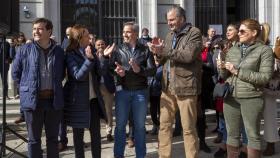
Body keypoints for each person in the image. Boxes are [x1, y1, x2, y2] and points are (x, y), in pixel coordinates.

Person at [149, 5, 202, 158]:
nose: (169, 23)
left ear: (182, 18)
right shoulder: (169, 35)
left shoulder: (194, 33)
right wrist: (157, 53)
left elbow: (188, 55)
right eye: (168, 20)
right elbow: (164, 59)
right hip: (167, 88)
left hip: (186, 87)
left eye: (172, 19)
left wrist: (163, 51)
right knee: (164, 126)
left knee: (188, 128)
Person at [217, 19, 274, 158]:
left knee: (252, 135)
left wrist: (237, 71)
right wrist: (222, 68)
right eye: (239, 31)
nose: (239, 33)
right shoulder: (233, 49)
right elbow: (225, 75)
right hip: (230, 97)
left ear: (254, 33)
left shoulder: (264, 50)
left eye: (243, 31)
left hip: (252, 98)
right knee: (231, 135)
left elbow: (265, 77)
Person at [12, 18, 65, 158]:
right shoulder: (25, 49)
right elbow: (15, 73)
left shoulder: (59, 51)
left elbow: (62, 74)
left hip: (53, 102)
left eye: (40, 28)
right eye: (34, 28)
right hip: (33, 101)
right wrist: (27, 88)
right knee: (34, 140)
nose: (36, 31)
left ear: (49, 31)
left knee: (53, 140)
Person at [104, 21, 156, 158]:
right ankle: (118, 155)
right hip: (123, 92)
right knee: (120, 126)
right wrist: (117, 72)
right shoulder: (118, 50)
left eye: (127, 31)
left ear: (135, 34)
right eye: (123, 32)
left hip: (140, 92)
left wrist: (139, 70)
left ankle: (141, 155)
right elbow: (110, 69)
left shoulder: (145, 50)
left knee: (139, 127)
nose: (124, 34)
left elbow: (152, 70)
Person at [63, 24, 107, 158]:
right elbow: (78, 76)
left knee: (96, 136)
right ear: (79, 37)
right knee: (78, 137)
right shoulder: (70, 54)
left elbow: (101, 72)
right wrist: (88, 60)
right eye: (87, 35)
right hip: (77, 102)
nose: (90, 37)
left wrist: (102, 57)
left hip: (93, 101)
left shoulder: (92, 50)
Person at [262, 23, 280, 156]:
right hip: (257, 88)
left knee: (269, 118)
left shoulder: (268, 48)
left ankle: (271, 144)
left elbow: (274, 69)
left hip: (268, 88)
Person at [95, 39, 116, 142]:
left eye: (102, 44)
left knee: (108, 111)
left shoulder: (111, 56)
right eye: (98, 44)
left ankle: (109, 132)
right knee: (97, 111)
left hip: (107, 86)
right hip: (96, 88)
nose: (100, 46)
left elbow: (113, 70)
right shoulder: (93, 56)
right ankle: (97, 132)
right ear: (95, 46)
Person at [148, 56, 163, 135]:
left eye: (157, 58)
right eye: (154, 58)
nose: (155, 60)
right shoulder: (150, 66)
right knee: (153, 111)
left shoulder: (163, 66)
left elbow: (160, 77)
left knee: (160, 111)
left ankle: (160, 127)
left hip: (160, 92)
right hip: (152, 92)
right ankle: (155, 124)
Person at [0, 31, 12, 100]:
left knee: (4, 80)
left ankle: (5, 95)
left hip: (4, 64)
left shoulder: (7, 43)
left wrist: (9, 60)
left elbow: (9, 54)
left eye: (1, 35)